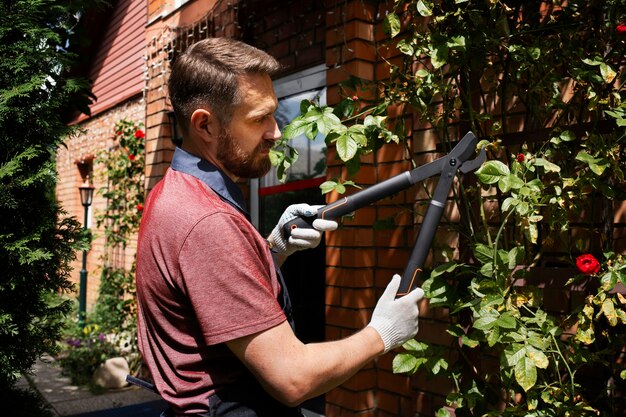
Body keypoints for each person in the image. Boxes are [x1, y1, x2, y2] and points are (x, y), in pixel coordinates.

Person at [136, 37, 425, 417]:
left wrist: (272, 250)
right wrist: (381, 334)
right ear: (204, 125)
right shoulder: (207, 222)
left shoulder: (173, 192)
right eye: (258, 119)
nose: (275, 132)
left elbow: (210, 304)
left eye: (274, 114)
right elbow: (292, 378)